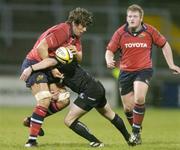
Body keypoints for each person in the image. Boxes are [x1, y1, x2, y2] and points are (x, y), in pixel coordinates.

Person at [20, 47, 135, 147]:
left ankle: (96, 142)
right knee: (110, 115)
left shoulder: (56, 64)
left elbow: (47, 62)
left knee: (69, 120)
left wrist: (30, 68)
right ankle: (129, 138)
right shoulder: (71, 62)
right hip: (97, 88)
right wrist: (56, 91)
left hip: (90, 92)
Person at [105, 4, 180, 145]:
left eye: (134, 16)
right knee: (128, 108)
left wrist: (171, 64)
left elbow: (165, 44)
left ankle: (134, 132)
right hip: (125, 72)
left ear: (141, 18)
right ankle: (137, 129)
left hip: (144, 70)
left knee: (139, 98)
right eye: (129, 16)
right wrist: (109, 60)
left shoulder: (150, 31)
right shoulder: (120, 33)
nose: (131, 19)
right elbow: (109, 50)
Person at [20, 7, 93, 147]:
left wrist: (75, 53)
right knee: (45, 99)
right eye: (83, 25)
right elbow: (41, 48)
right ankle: (31, 141)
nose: (84, 29)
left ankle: (33, 120)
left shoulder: (75, 36)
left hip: (50, 67)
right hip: (36, 64)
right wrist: (52, 68)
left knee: (63, 100)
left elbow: (80, 58)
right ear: (75, 23)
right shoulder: (63, 30)